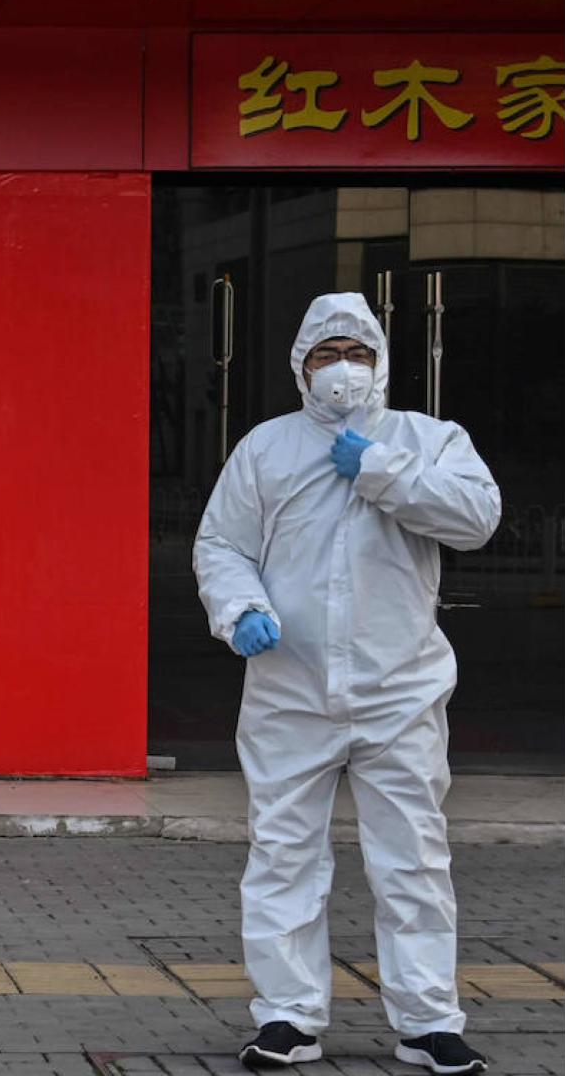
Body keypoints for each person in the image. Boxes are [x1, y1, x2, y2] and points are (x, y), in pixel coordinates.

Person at [194, 294, 500, 1075]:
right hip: (289, 687)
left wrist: (380, 470)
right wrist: (241, 610)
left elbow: (477, 519)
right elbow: (222, 545)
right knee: (283, 854)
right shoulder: (267, 448)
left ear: (381, 362)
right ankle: (288, 1017)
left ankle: (429, 1021)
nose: (341, 368)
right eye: (326, 353)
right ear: (301, 365)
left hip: (400, 690)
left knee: (414, 859)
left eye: (356, 352)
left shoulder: (427, 440)